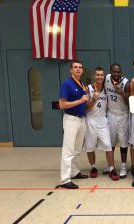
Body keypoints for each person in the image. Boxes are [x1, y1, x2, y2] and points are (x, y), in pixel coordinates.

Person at [58, 59, 89, 189]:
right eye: (75, 67)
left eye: (80, 67)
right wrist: (80, 100)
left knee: (77, 149)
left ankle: (74, 172)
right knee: (68, 150)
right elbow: (62, 104)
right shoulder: (67, 84)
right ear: (71, 70)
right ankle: (64, 179)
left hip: (81, 119)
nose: (78, 69)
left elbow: (84, 101)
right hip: (71, 119)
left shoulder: (81, 84)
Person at [85, 67, 118, 181]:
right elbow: (86, 109)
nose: (99, 77)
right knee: (89, 147)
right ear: (94, 76)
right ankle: (93, 167)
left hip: (102, 120)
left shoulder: (106, 89)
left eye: (101, 75)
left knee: (108, 146)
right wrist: (93, 99)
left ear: (104, 76)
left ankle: (111, 169)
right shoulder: (88, 88)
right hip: (90, 120)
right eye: (97, 75)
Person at [104, 63, 130, 178]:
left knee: (123, 143)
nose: (116, 74)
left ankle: (123, 166)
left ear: (121, 72)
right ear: (110, 71)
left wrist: (122, 93)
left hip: (123, 115)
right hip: (111, 114)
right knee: (111, 142)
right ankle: (111, 165)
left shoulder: (126, 83)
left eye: (118, 72)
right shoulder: (106, 79)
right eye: (114, 72)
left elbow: (129, 102)